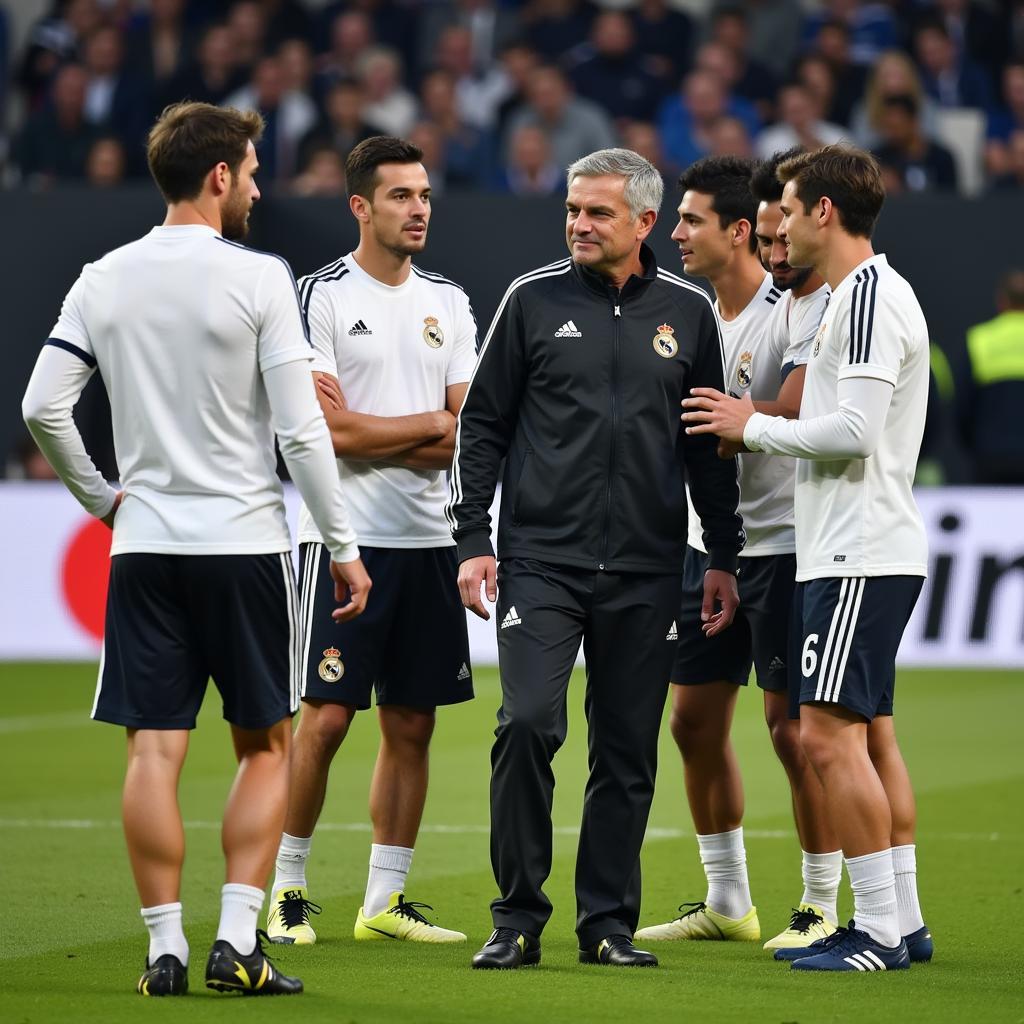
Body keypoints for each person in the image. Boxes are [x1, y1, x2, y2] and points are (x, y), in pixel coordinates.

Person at [20, 101, 371, 996]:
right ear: (219, 176)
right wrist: (342, 545)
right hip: (246, 544)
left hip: (145, 549)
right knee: (266, 746)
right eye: (251, 172)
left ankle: (163, 951)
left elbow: (40, 407)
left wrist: (103, 499)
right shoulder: (258, 278)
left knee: (153, 751)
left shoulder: (103, 278)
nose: (255, 187)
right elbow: (302, 435)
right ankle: (239, 943)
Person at [449, 148, 744, 970]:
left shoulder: (689, 313)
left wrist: (721, 554)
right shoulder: (529, 300)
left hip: (650, 567)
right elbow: (482, 427)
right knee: (528, 722)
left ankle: (607, 924)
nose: (579, 223)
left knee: (625, 747)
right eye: (573, 209)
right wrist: (473, 537)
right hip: (540, 560)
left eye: (598, 212)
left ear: (644, 222)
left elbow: (708, 447)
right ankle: (516, 919)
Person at [682, 144, 933, 972]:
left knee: (825, 741)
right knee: (851, 738)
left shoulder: (864, 298)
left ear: (825, 211)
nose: (777, 224)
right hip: (852, 545)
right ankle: (906, 918)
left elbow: (855, 432)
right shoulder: (853, 297)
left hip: (853, 548)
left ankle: (879, 932)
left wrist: (748, 425)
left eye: (787, 208)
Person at [266, 135, 476, 947]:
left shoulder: (450, 301)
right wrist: (427, 422)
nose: (419, 208)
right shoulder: (317, 294)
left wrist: (392, 428)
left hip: (429, 541)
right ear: (360, 205)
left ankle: (383, 901)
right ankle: (286, 891)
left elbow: (465, 433)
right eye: (400, 196)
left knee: (412, 724)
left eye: (424, 194)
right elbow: (324, 435)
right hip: (341, 538)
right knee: (322, 721)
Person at [636, 153, 838, 953]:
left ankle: (820, 902)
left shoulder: (788, 308)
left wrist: (732, 417)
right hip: (706, 546)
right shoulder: (683, 316)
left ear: (739, 231)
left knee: (793, 731)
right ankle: (728, 900)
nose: (676, 233)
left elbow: (788, 408)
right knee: (691, 722)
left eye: (690, 221)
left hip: (787, 544)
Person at [956, 269, 1024, 483]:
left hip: (990, 458)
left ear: (1002, 300)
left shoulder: (979, 340)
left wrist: (975, 447)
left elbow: (963, 408)